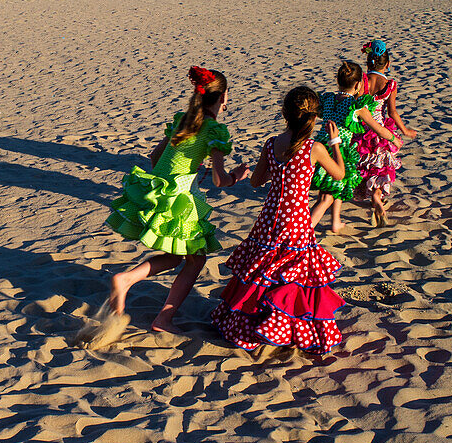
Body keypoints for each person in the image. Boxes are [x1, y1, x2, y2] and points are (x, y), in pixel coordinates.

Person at [106, 66, 249, 332]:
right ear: (223, 97)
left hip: (158, 189)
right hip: (180, 199)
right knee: (197, 259)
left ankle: (126, 281)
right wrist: (236, 176)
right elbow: (220, 180)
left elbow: (155, 157)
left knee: (175, 257)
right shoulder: (214, 130)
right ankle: (160, 316)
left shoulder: (184, 119)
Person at [210, 86, 348, 353]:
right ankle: (284, 326)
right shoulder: (315, 148)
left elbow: (256, 181)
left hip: (270, 216)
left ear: (285, 113)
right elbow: (340, 174)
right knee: (293, 274)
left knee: (263, 268)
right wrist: (336, 144)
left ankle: (251, 322)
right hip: (295, 218)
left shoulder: (272, 143)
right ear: (313, 116)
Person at [309, 60, 401, 232]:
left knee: (335, 187)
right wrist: (394, 139)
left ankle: (335, 221)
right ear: (359, 84)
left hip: (321, 147)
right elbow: (378, 128)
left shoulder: (328, 99)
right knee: (326, 196)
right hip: (338, 150)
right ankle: (303, 234)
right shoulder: (356, 106)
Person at [356, 40, 418, 226]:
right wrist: (404, 130)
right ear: (388, 64)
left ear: (368, 63)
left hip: (362, 129)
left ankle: (372, 195)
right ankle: (377, 195)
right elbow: (392, 112)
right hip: (382, 130)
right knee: (380, 165)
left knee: (365, 165)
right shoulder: (389, 84)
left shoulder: (362, 82)